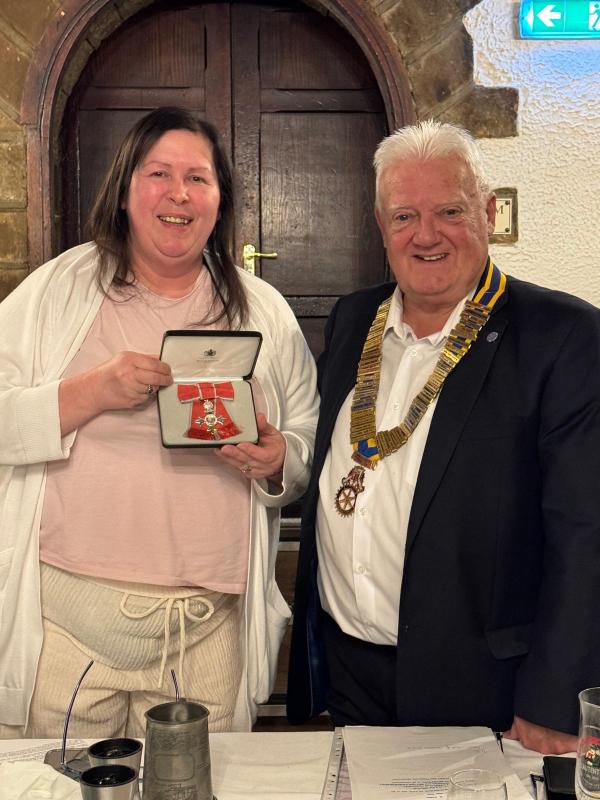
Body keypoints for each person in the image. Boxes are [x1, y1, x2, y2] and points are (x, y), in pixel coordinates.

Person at [0, 106, 318, 737]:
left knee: (194, 786)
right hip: (66, 629)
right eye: (158, 174)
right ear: (124, 190)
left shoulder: (263, 310)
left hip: (204, 635)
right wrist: (90, 391)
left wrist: (278, 458)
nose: (178, 195)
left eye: (198, 178)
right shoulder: (56, 291)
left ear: (220, 199)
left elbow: (306, 436)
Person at [287, 120, 600, 754]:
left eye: (450, 211)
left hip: (488, 687)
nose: (425, 235)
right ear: (381, 227)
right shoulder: (353, 320)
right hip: (353, 672)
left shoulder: (563, 337)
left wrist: (554, 700)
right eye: (404, 216)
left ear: (489, 212)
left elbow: (586, 533)